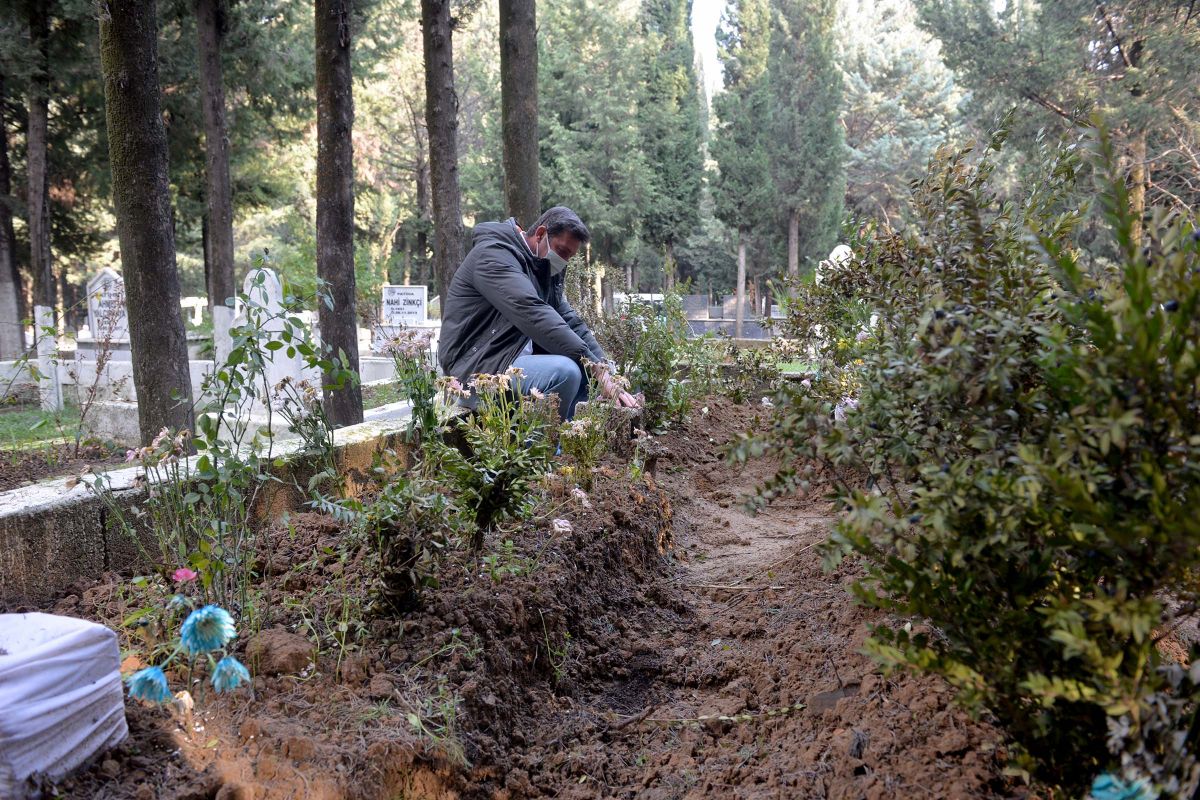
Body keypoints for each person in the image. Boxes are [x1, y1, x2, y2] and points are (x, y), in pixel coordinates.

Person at [438, 206, 640, 420]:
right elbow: (535, 314)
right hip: (474, 370)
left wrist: (605, 369)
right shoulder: (493, 256)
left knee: (589, 374)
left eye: (569, 257)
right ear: (541, 234)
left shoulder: (542, 268)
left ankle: (569, 439)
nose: (564, 262)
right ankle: (543, 450)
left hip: (508, 362)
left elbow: (570, 322)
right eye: (562, 252)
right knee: (565, 372)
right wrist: (596, 370)